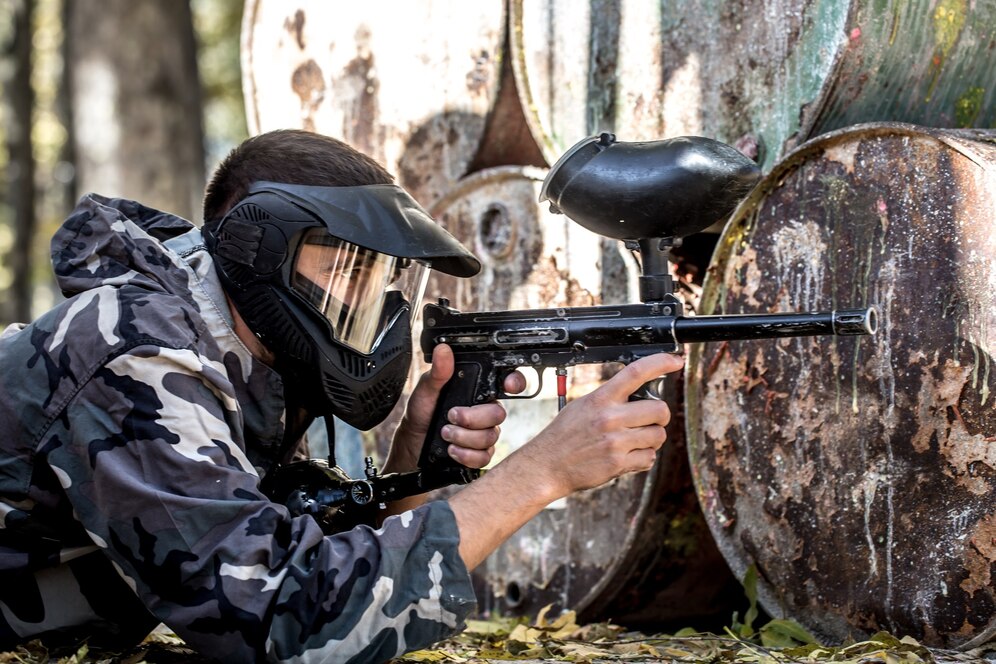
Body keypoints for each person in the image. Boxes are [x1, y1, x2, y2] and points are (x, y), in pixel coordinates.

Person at [0, 130, 680, 662]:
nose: (370, 302)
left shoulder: (244, 349)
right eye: (344, 272)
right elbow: (284, 622)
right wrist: (541, 472)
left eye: (380, 277)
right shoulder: (136, 354)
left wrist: (411, 468)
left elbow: (327, 577)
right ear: (256, 249)